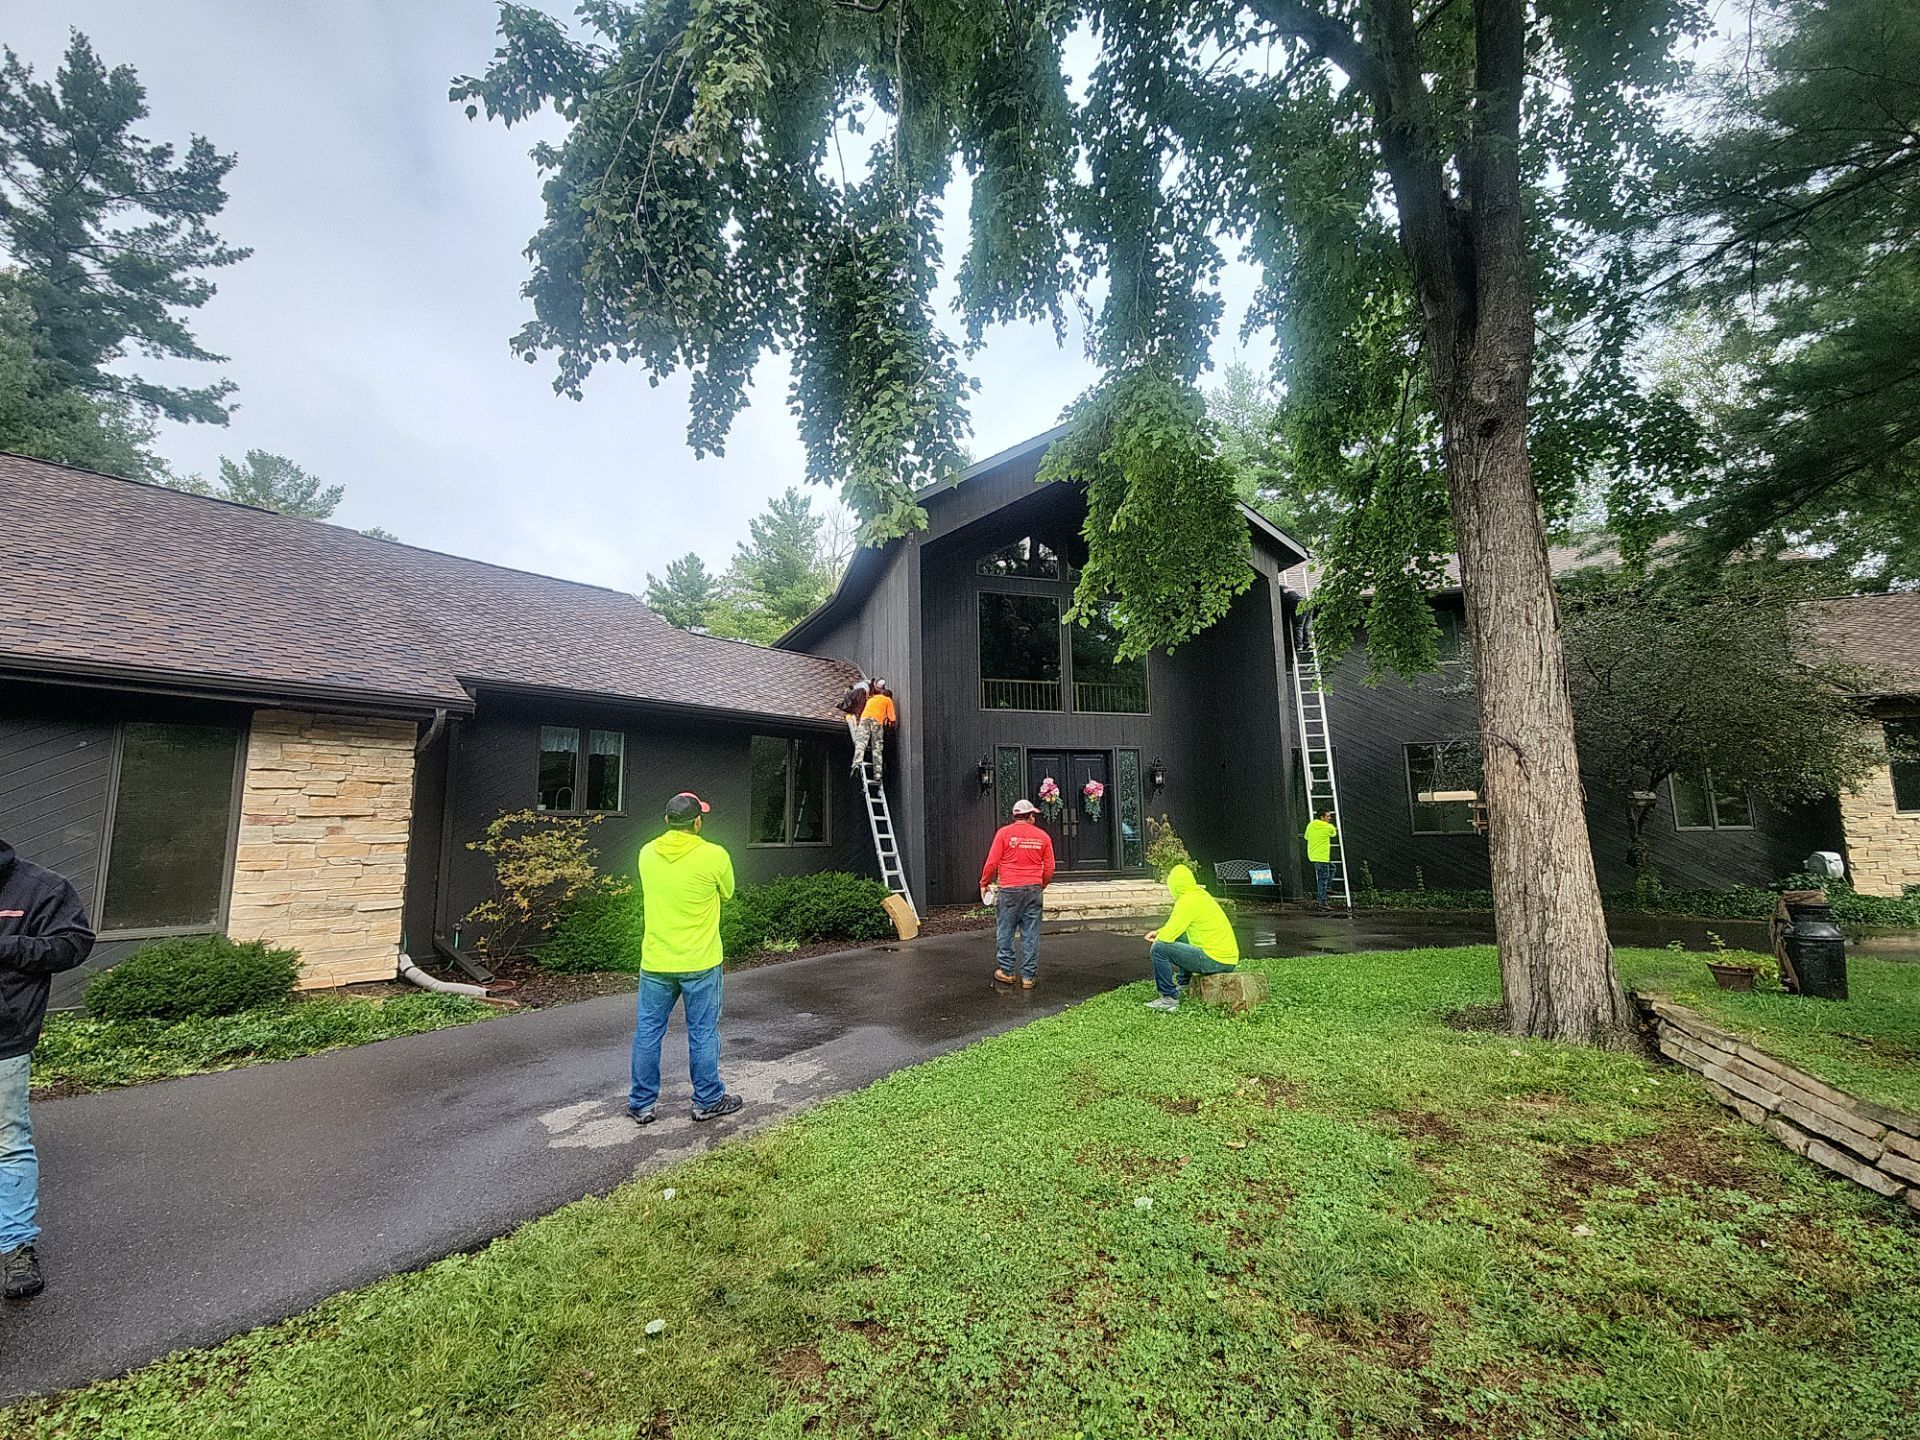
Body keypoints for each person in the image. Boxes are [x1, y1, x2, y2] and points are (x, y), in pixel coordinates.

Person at [0, 838, 96, 1299]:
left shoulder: (40, 887)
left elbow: (74, 943)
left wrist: (8, 947)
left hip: (4, 1040)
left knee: (7, 1143)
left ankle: (15, 1250)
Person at [628, 793, 744, 1125]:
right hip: (701, 961)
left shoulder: (647, 854)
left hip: (656, 961)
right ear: (698, 822)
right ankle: (706, 1100)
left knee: (648, 1031)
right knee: (703, 1031)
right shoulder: (715, 856)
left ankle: (641, 1104)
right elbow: (728, 892)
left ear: (666, 821)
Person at [979, 798, 1055, 989]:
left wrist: (984, 883)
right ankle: (1028, 977)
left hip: (1009, 890)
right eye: (1033, 815)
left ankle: (1007, 972)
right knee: (1030, 933)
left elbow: (991, 862)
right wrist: (1041, 884)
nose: (1034, 818)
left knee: (1006, 930)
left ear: (1015, 816)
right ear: (1029, 816)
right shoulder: (1043, 836)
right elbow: (1050, 867)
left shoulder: (1003, 834)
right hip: (1033, 889)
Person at [1143, 863, 1239, 1012]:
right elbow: (1178, 927)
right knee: (1181, 935)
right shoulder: (1199, 895)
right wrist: (1160, 932)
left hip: (1214, 960)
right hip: (1228, 960)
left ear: (1173, 885)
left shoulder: (1186, 901)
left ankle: (1169, 998)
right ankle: (1184, 984)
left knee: (1158, 948)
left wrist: (1160, 936)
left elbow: (1168, 937)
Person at [852, 678, 897, 780]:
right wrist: (891, 725)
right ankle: (877, 774)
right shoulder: (887, 700)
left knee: (861, 742)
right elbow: (892, 718)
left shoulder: (871, 699)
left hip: (864, 719)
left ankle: (856, 763)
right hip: (876, 721)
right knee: (877, 747)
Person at [1304, 809, 1339, 910]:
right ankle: (1322, 902)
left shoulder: (1310, 825)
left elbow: (1306, 837)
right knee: (1322, 880)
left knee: (1332, 868)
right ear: (1322, 817)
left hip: (1314, 856)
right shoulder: (1328, 827)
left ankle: (1327, 888)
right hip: (1322, 857)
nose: (1330, 818)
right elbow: (1333, 834)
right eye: (1328, 816)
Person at [836, 677, 870, 744]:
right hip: (852, 705)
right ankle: (857, 740)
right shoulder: (862, 689)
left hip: (852, 704)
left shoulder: (859, 687)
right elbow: (862, 701)